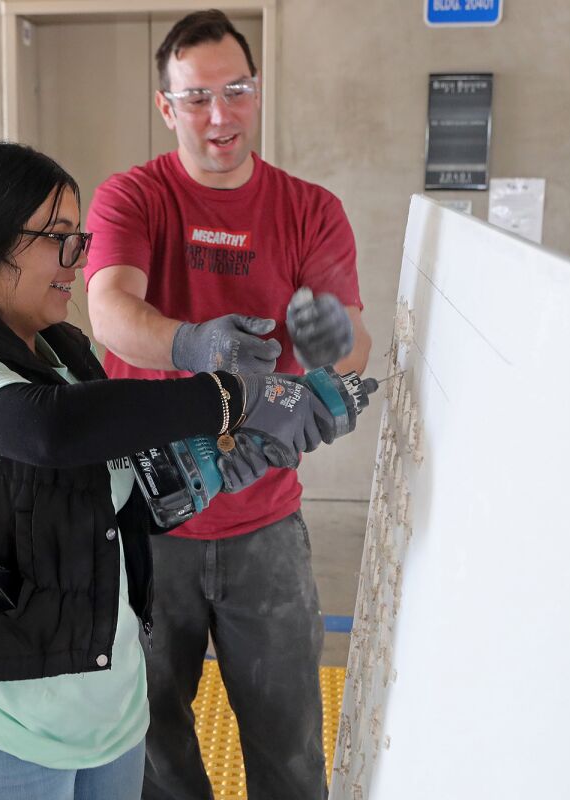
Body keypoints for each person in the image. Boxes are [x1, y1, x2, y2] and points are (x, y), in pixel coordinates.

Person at [0, 141, 341, 800]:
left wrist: (217, 464)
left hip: (109, 720)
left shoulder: (61, 348)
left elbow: (110, 488)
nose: (76, 261)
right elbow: (49, 430)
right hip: (1, 731)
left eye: (77, 238)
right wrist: (231, 398)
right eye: (58, 239)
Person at [83, 10, 373, 800]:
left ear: (256, 91)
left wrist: (328, 346)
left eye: (236, 91)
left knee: (287, 747)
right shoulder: (133, 198)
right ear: (166, 106)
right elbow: (108, 310)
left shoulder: (308, 209)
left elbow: (350, 347)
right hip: (149, 514)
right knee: (152, 744)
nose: (221, 117)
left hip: (266, 520)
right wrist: (195, 347)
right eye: (199, 97)